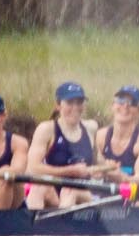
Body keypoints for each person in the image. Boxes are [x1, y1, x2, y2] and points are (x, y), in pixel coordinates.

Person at [26, 81, 99, 210]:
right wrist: (69, 171)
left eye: (79, 102)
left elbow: (98, 162)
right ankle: (31, 228)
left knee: (69, 190)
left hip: (84, 192)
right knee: (38, 188)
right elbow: (32, 168)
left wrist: (110, 169)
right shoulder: (46, 129)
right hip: (55, 194)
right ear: (58, 106)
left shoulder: (91, 127)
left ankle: (63, 226)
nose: (75, 107)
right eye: (70, 103)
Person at [93, 85, 139, 182]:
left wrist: (121, 177)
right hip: (99, 191)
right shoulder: (100, 136)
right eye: (121, 100)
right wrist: (102, 169)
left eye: (132, 103)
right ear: (113, 106)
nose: (125, 106)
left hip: (129, 194)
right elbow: (92, 170)